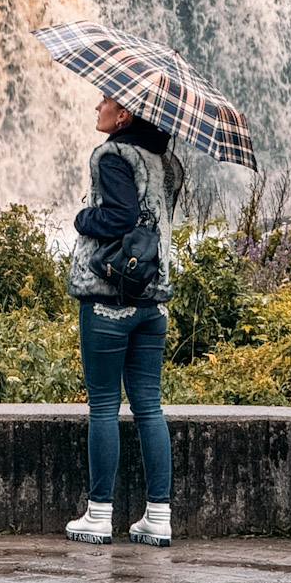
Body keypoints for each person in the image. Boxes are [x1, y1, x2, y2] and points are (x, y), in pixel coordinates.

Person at [65, 95, 184, 547]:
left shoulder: (113, 154)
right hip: (152, 302)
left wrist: (83, 216)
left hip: (108, 299)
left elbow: (120, 217)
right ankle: (158, 515)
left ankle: (99, 514)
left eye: (107, 102)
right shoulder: (166, 162)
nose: (97, 106)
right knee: (149, 407)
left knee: (102, 406)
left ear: (125, 114)